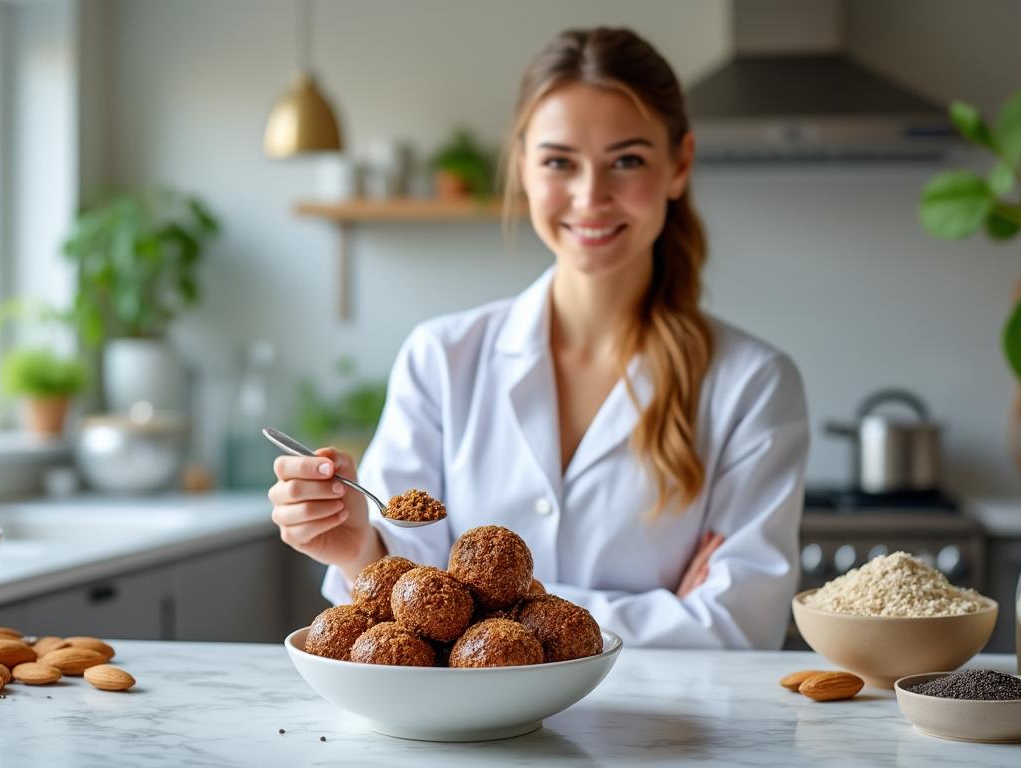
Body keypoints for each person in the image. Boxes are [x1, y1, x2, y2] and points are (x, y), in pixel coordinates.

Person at [268, 27, 808, 649]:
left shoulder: (753, 384)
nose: (590, 196)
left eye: (626, 160)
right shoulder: (441, 358)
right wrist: (359, 545)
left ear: (679, 164)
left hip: (662, 742)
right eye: (559, 162)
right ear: (522, 165)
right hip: (466, 742)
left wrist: (469, 611)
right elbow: (398, 600)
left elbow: (741, 628)